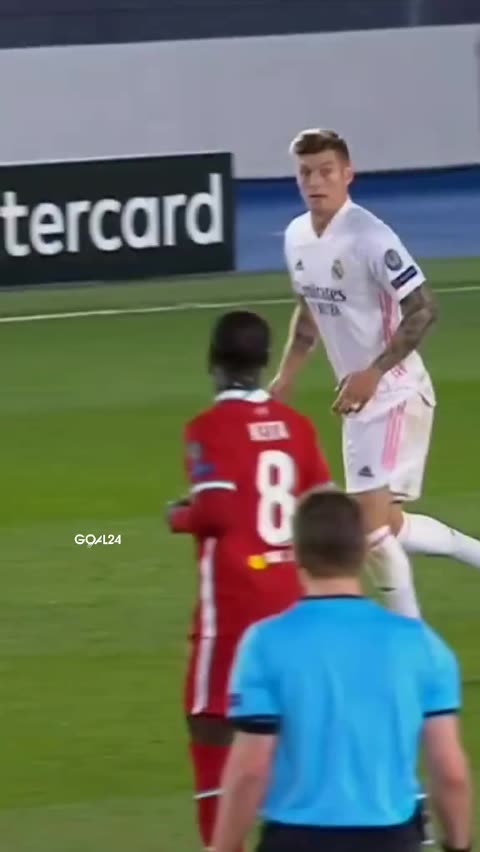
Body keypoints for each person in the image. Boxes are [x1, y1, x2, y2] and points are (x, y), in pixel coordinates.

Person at [270, 127, 480, 617]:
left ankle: (408, 636)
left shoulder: (370, 237)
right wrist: (287, 375)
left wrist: (374, 372)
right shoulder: (297, 236)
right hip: (360, 402)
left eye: (326, 171)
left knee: (370, 532)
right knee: (388, 526)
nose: (315, 182)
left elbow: (424, 308)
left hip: (394, 393)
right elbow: (309, 308)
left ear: (348, 175)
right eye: (305, 173)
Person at [214, 490, 473, 852]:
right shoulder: (420, 645)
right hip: (390, 840)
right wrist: (459, 845)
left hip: (295, 840)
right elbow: (450, 771)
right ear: (365, 552)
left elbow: (250, 769)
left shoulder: (265, 643)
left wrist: (224, 847)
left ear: (297, 553)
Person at [166, 310, 332, 851]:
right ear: (263, 363)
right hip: (295, 600)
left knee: (210, 723)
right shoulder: (297, 426)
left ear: (212, 363)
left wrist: (179, 516)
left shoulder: (207, 428)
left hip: (235, 606)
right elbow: (323, 506)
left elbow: (215, 512)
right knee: (295, 730)